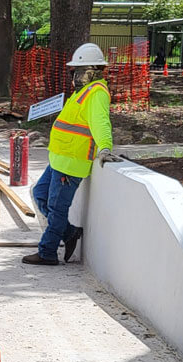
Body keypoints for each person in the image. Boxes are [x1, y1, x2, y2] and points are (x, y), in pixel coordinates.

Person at [23, 43, 116, 266]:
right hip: (60, 158)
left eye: (77, 70)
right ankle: (70, 232)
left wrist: (105, 146)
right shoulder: (83, 92)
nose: (73, 75)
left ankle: (47, 252)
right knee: (40, 194)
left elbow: (101, 123)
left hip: (72, 162)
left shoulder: (96, 94)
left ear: (91, 70)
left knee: (56, 208)